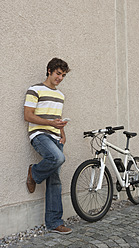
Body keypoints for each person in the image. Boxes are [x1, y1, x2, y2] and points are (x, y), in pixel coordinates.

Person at [24, 58, 72, 234]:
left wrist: (62, 133)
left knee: (55, 180)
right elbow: (28, 116)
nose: (60, 78)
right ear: (50, 71)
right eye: (58, 73)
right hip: (39, 135)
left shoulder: (60, 96)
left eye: (63, 75)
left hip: (55, 136)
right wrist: (50, 124)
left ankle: (54, 222)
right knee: (58, 158)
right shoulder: (35, 89)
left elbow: (57, 118)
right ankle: (34, 172)